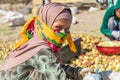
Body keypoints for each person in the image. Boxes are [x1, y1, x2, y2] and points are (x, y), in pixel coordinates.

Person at [0, 2, 94, 80]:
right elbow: (57, 77)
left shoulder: (37, 39)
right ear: (45, 24)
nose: (63, 33)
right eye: (58, 27)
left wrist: (77, 72)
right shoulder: (40, 49)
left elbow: (54, 67)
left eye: (67, 29)